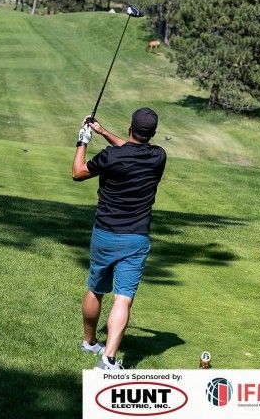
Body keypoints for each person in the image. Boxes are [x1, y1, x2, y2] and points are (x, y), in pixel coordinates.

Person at [72, 107, 166, 371]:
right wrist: (101, 131)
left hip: (104, 234)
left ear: (130, 128)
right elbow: (132, 149)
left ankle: (90, 342)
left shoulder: (111, 157)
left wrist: (83, 140)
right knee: (122, 298)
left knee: (96, 289)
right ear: (153, 134)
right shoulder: (159, 156)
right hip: (135, 239)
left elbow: (78, 172)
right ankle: (108, 359)